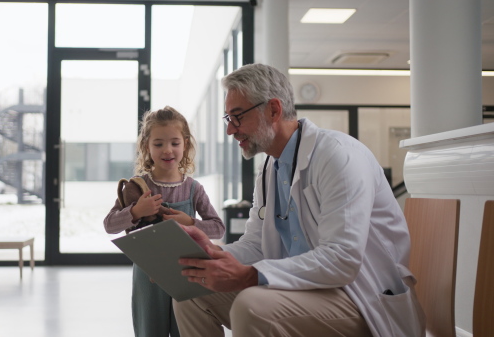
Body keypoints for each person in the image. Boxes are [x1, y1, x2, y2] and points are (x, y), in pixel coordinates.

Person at [173, 64, 426, 337]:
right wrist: (208, 257)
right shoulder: (271, 168)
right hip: (304, 290)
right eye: (228, 119)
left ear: (273, 109)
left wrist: (251, 275)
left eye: (237, 117)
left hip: (360, 296)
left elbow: (342, 260)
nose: (230, 131)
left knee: (252, 305)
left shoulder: (338, 156)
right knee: (190, 293)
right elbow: (256, 245)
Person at [104, 106, 225, 337]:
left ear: (186, 144)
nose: (167, 150)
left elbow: (218, 227)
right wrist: (136, 211)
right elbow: (109, 225)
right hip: (147, 278)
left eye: (175, 143)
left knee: (185, 329)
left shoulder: (193, 189)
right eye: (158, 144)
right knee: (150, 330)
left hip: (186, 274)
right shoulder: (137, 186)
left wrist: (190, 221)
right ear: (146, 147)